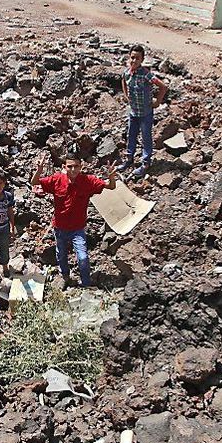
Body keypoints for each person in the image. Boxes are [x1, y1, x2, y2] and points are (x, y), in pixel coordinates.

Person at [32, 148, 116, 287]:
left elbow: (111, 187)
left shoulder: (88, 181)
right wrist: (39, 169)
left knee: (83, 257)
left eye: (76, 166)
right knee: (61, 255)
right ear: (64, 167)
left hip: (78, 228)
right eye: (69, 166)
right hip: (60, 227)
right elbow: (35, 182)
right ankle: (65, 277)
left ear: (81, 166)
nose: (73, 169)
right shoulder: (57, 180)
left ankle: (86, 284)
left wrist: (111, 176)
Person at [118, 44, 168, 177]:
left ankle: (145, 163)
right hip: (133, 112)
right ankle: (129, 159)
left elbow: (162, 86)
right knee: (131, 135)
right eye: (132, 57)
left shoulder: (146, 74)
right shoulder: (127, 73)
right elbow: (123, 81)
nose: (134, 61)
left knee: (146, 137)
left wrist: (157, 102)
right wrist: (126, 96)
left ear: (142, 59)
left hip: (145, 113)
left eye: (137, 58)